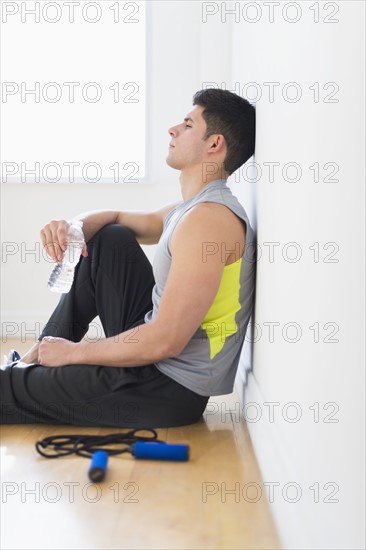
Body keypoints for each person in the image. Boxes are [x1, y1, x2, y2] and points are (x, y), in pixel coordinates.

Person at [0, 88, 256, 428]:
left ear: (214, 144)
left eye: (187, 125)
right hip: (154, 367)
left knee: (4, 391)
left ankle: (38, 366)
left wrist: (74, 355)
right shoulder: (192, 210)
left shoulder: (208, 222)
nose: (173, 130)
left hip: (164, 388)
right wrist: (73, 227)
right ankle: (38, 360)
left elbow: (167, 339)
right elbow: (116, 216)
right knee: (109, 238)